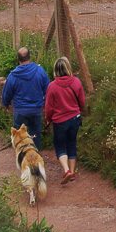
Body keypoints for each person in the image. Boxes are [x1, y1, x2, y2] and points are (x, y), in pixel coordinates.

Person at [44, 56, 86, 184]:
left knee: (60, 146)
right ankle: (72, 172)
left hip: (60, 121)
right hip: (75, 118)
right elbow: (82, 102)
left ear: (55, 70)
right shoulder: (77, 82)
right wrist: (78, 111)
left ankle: (66, 170)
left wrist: (48, 119)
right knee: (72, 143)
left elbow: (49, 107)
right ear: (68, 68)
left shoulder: (52, 86)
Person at [1, 47, 49, 150]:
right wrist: (46, 103)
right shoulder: (40, 71)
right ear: (30, 57)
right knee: (35, 136)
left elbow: (7, 93)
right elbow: (47, 89)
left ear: (17, 58)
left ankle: (24, 159)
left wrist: (6, 103)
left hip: (20, 111)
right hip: (36, 110)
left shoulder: (13, 75)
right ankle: (35, 158)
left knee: (21, 139)